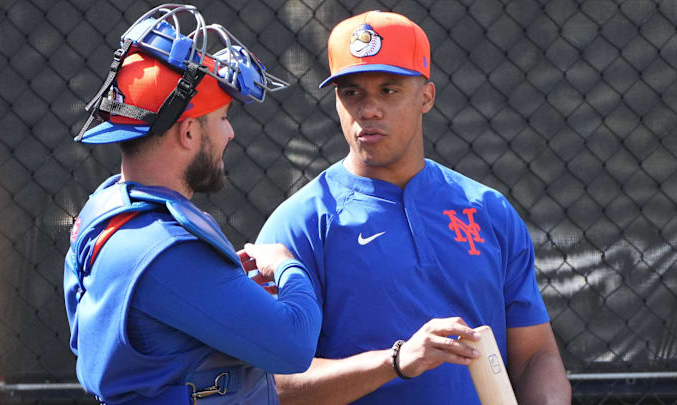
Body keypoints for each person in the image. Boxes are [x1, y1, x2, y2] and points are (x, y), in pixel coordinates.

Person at [256, 10, 572, 404]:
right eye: (351, 92)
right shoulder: (298, 224)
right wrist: (397, 361)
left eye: (388, 90)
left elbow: (534, 355)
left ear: (426, 97)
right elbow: (270, 384)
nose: (368, 110)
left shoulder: (488, 210)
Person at [63, 5, 321, 404]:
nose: (230, 133)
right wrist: (285, 263)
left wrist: (218, 290)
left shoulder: (105, 204)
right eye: (222, 118)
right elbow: (295, 345)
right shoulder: (167, 250)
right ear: (187, 132)